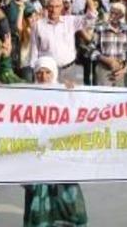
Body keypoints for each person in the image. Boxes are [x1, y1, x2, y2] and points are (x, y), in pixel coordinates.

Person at [23, 56, 87, 227]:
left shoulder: (64, 95)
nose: (43, 77)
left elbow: (80, 115)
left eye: (47, 73)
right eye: (39, 73)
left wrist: (73, 94)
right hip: (37, 163)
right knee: (39, 214)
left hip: (62, 161)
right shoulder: (27, 97)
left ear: (55, 74)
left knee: (71, 210)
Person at [29, 0, 96, 84]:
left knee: (72, 97)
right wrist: (34, 70)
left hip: (69, 70)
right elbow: (34, 49)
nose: (54, 10)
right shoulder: (38, 25)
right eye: (51, 6)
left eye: (57, 6)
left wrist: (89, 1)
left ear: (61, 8)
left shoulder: (70, 21)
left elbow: (91, 17)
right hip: (47, 73)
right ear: (47, 8)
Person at [91, 2, 127, 87]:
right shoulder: (100, 28)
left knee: (121, 98)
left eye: (116, 14)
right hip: (103, 70)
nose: (113, 16)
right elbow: (91, 49)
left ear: (122, 16)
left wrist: (125, 69)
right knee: (103, 97)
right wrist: (106, 60)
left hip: (121, 70)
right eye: (111, 12)